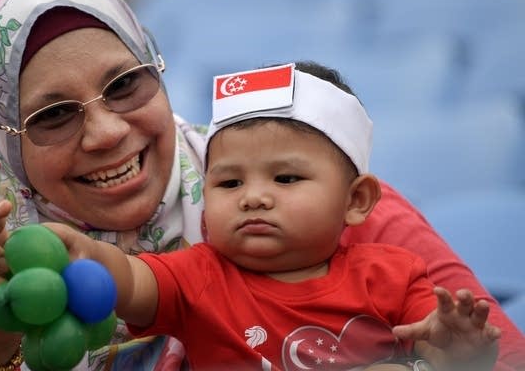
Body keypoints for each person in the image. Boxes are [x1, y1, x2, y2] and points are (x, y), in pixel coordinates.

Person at [0, 0, 522, 370]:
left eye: (126, 83)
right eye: (53, 115)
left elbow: (498, 352)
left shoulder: (328, 210)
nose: (106, 132)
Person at [48, 62, 500, 371]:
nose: (254, 198)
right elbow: (127, 280)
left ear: (357, 200)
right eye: (229, 184)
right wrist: (80, 253)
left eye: (285, 179)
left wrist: (459, 349)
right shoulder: (196, 275)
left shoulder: (395, 277)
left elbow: (439, 349)